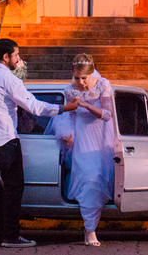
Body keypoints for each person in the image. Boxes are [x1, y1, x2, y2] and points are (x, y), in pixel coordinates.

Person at [0, 38, 78, 248]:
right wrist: (66, 108)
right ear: (6, 57)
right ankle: (10, 235)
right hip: (5, 140)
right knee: (13, 188)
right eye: (16, 55)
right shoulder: (10, 80)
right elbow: (35, 107)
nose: (19, 60)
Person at [51, 54, 115, 246]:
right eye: (77, 78)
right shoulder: (70, 90)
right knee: (90, 179)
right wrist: (67, 133)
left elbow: (107, 114)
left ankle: (89, 230)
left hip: (101, 137)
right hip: (81, 139)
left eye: (84, 78)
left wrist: (86, 104)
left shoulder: (103, 84)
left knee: (100, 179)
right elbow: (69, 116)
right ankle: (90, 231)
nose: (80, 82)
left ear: (90, 74)